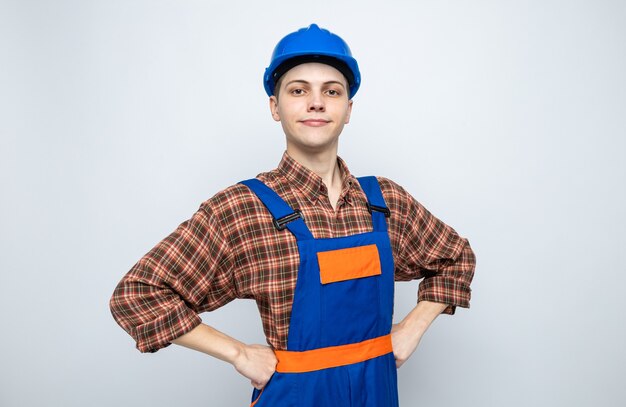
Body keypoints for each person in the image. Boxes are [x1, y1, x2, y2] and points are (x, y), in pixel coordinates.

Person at [110, 23, 475, 407]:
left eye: (331, 92)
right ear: (275, 106)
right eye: (298, 90)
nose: (316, 103)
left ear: (347, 109)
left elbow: (456, 257)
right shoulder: (243, 210)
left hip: (376, 392)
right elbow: (137, 294)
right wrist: (238, 353)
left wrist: (412, 327)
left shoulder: (384, 202)